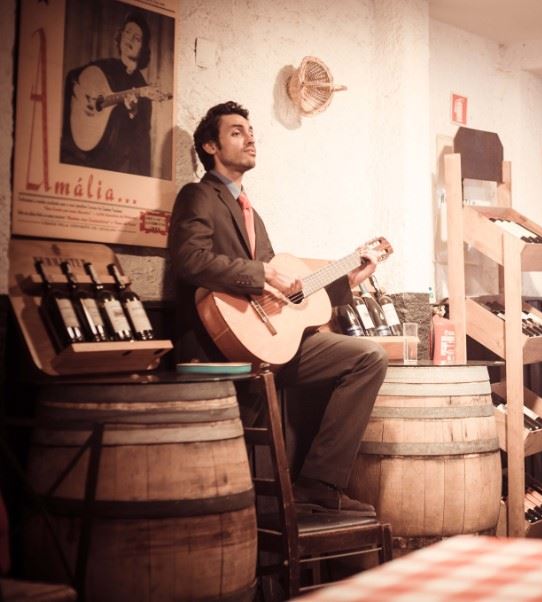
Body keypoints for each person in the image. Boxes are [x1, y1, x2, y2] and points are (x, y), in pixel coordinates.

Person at [168, 101, 388, 516]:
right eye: (236, 132)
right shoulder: (198, 195)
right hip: (217, 344)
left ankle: (319, 483)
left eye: (251, 131)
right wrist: (263, 272)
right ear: (210, 146)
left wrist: (347, 280)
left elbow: (283, 296)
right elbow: (190, 261)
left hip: (267, 343)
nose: (251, 137)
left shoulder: (254, 214)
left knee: (367, 358)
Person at [60, 11, 155, 176]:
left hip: (114, 166)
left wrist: (133, 112)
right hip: (86, 153)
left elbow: (141, 142)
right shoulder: (104, 67)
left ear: (143, 48)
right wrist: (83, 97)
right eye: (127, 32)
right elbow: (73, 78)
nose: (129, 39)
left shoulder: (143, 89)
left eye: (137, 38)